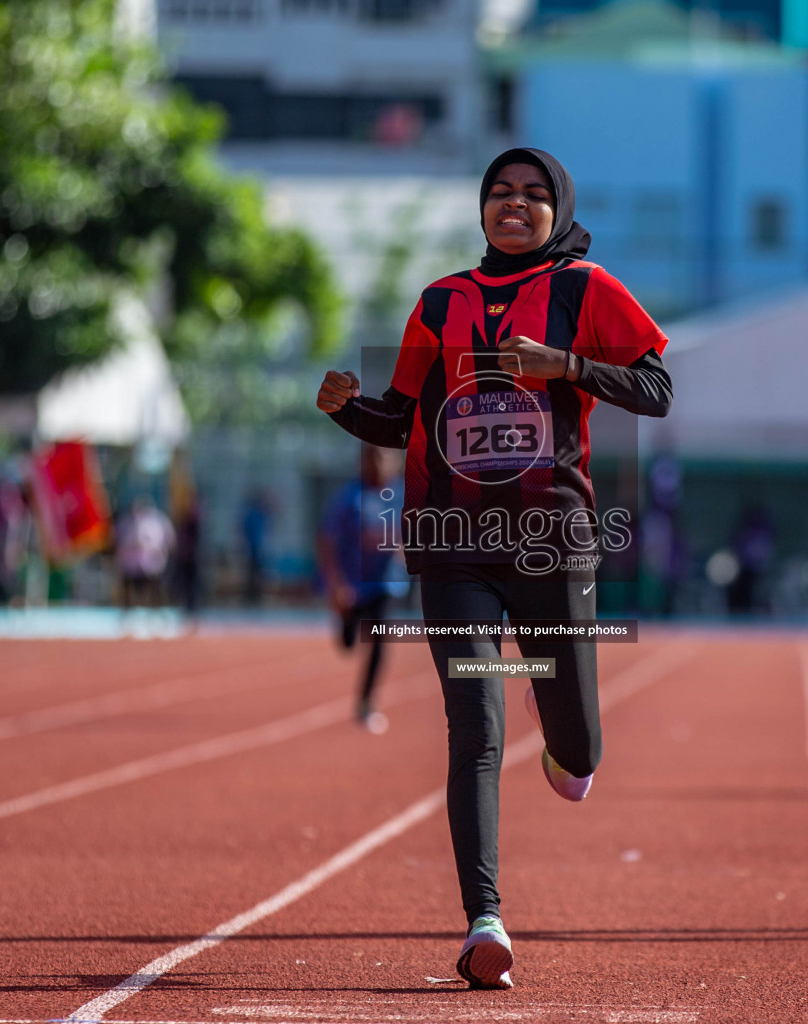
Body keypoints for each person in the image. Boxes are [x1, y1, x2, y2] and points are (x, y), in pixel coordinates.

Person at [316, 148, 672, 989]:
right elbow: (396, 423)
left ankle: (564, 743)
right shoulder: (440, 302)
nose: (515, 205)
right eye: (500, 193)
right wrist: (345, 411)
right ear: (481, 210)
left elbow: (656, 388)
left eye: (533, 195)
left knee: (578, 754)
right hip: (453, 546)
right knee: (474, 728)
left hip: (553, 541)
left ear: (558, 209)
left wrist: (570, 368)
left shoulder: (588, 290)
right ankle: (485, 920)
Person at [317, 445, 407, 733]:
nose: (377, 464)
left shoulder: (403, 495)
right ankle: (344, 621)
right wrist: (335, 584)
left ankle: (367, 703)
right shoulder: (350, 496)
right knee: (347, 644)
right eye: (370, 458)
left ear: (394, 462)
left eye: (382, 458)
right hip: (354, 585)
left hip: (386, 583)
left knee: (380, 640)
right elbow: (327, 539)